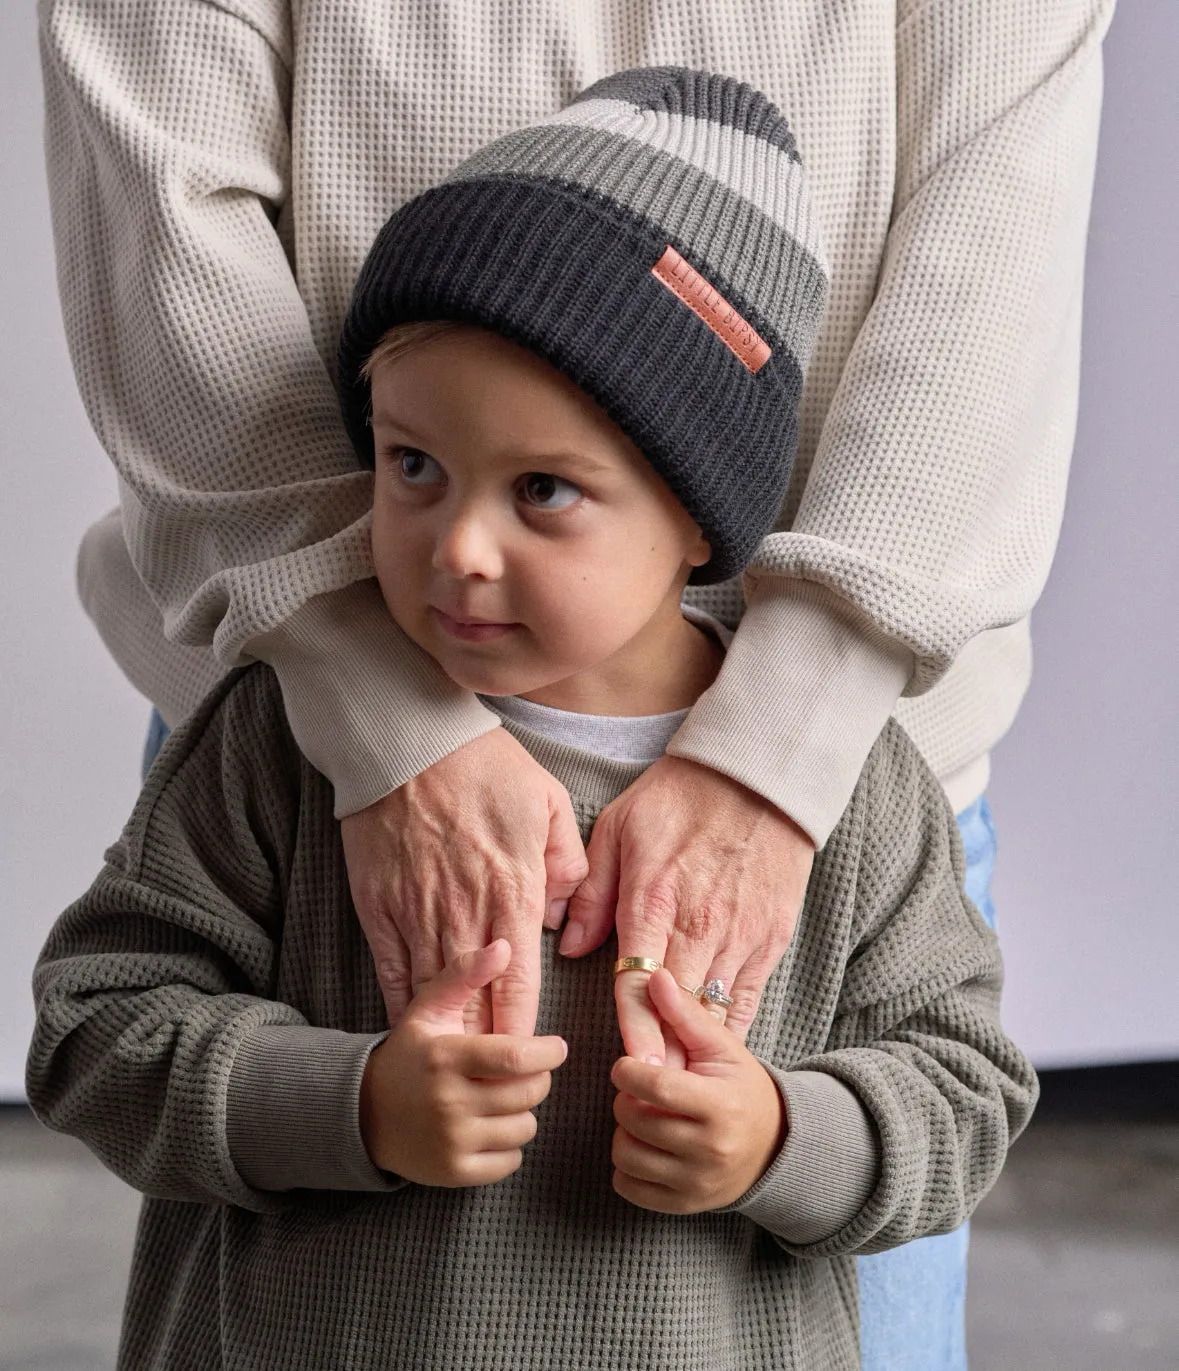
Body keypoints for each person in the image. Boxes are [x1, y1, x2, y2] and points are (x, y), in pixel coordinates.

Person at [40, 3, 1113, 1364]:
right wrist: (348, 1097)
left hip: (824, 749)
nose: (462, 547)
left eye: (544, 489)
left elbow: (956, 1095)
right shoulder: (262, 758)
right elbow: (97, 1030)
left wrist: (786, 1129)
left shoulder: (867, 805)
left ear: (695, 518)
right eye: (409, 462)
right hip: (308, 705)